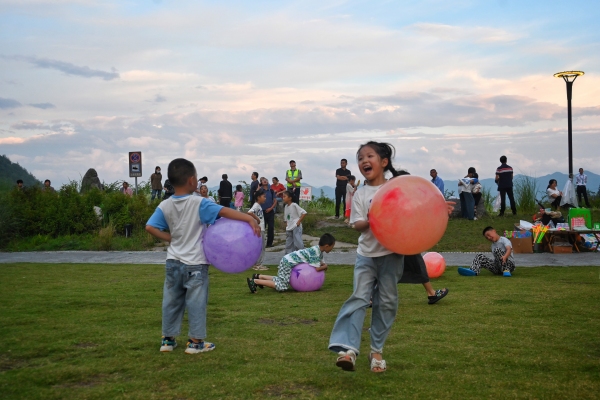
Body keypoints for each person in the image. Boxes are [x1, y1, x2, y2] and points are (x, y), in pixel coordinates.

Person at [145, 158, 260, 354]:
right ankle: (195, 343)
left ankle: (167, 341)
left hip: (173, 262)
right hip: (195, 264)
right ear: (191, 180)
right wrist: (250, 217)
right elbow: (226, 212)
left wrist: (169, 238)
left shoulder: (164, 205)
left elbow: (149, 226)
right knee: (196, 303)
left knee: (171, 302)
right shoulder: (199, 203)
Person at [328, 141, 407, 374]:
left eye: (369, 156)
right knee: (359, 298)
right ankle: (349, 350)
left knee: (387, 303)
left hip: (392, 255)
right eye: (360, 157)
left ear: (383, 162)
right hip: (366, 256)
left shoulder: (395, 188)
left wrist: (435, 208)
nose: (364, 161)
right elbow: (358, 225)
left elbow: (414, 209)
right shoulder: (360, 193)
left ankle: (377, 351)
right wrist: (374, 219)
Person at [246, 233, 335, 293]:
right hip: (288, 263)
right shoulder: (315, 252)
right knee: (282, 286)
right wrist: (325, 266)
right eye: (332, 247)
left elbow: (321, 262)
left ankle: (259, 276)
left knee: (280, 279)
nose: (332, 249)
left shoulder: (318, 250)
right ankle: (255, 281)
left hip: (287, 260)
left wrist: (324, 265)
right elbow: (317, 268)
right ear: (327, 246)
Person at [248, 188, 268, 271]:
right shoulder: (256, 205)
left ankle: (256, 263)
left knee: (260, 246)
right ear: (258, 197)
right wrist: (257, 219)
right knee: (261, 247)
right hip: (260, 229)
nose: (265, 198)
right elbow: (249, 212)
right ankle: (258, 264)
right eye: (264, 196)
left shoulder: (258, 206)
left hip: (261, 228)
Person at [259, 177, 277, 248]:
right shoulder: (260, 191)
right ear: (261, 183)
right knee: (262, 228)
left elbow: (275, 200)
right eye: (263, 180)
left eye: (266, 180)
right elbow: (256, 200)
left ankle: (269, 243)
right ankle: (261, 243)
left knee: (271, 227)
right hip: (262, 211)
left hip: (270, 211)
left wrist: (271, 208)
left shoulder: (271, 191)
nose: (265, 181)